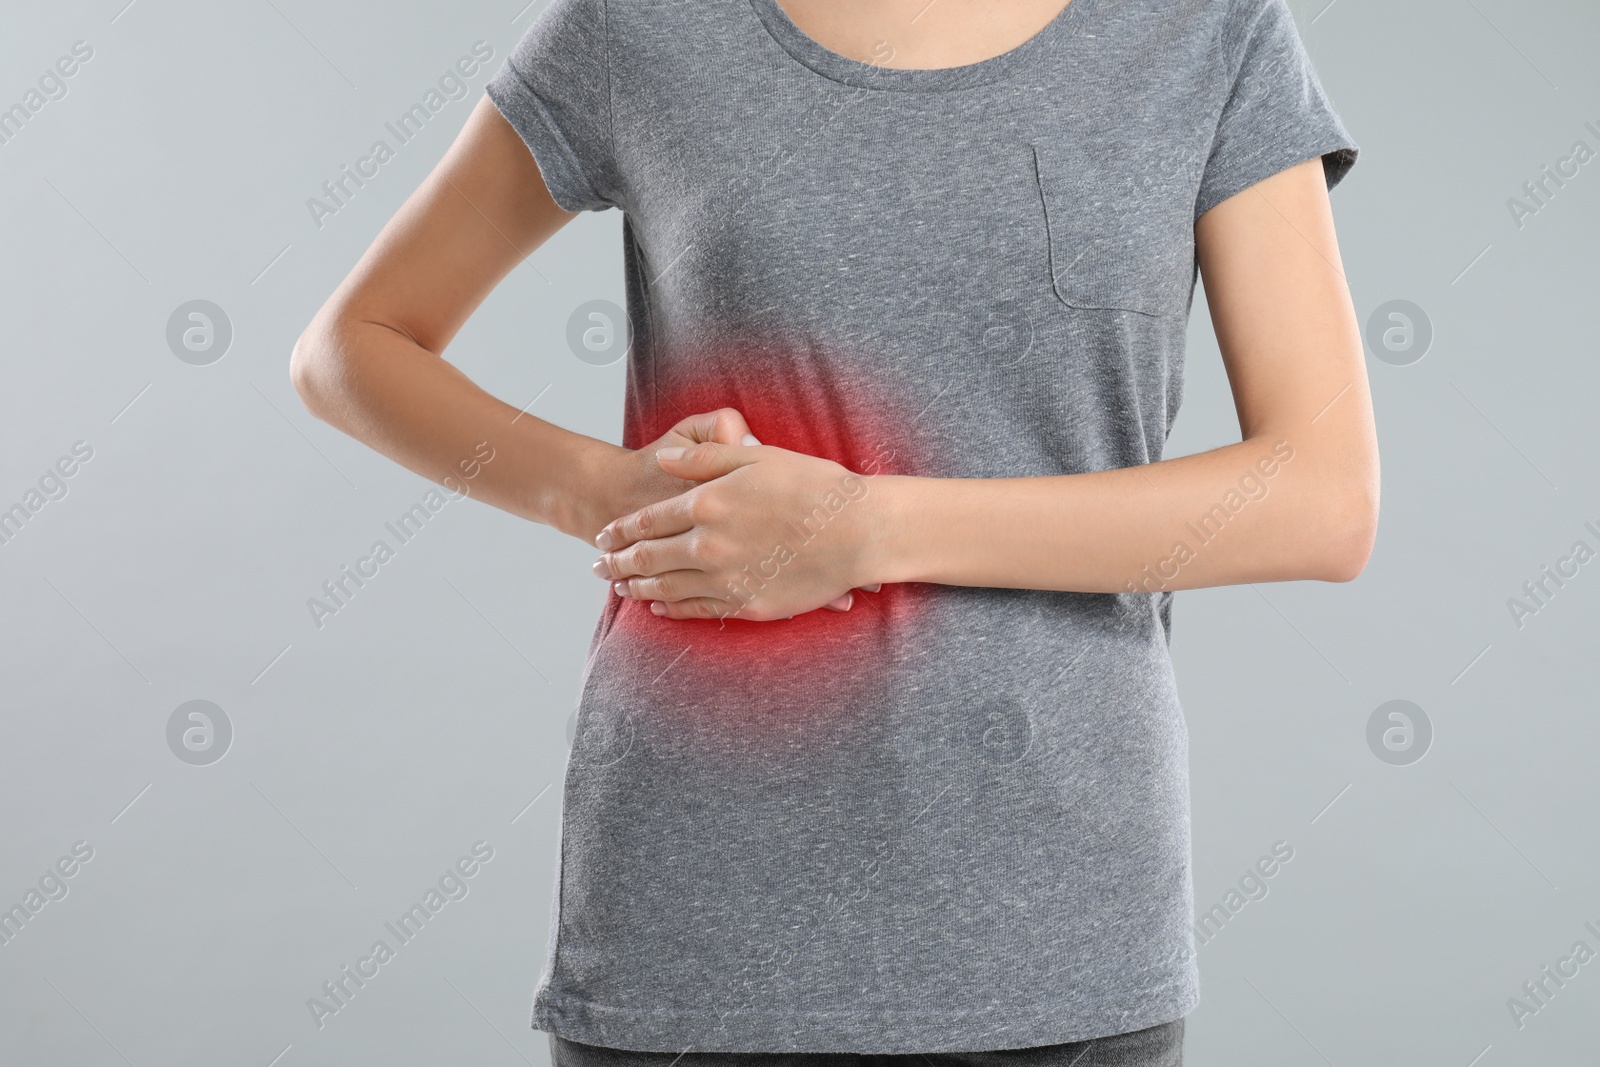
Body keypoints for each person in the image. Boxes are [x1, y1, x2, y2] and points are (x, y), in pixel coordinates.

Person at [290, 0, 1378, 1063]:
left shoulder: (1207, 32)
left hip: (1057, 935)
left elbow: (1320, 500)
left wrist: (869, 527)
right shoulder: (642, 26)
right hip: (699, 926)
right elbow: (351, 347)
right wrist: (607, 492)